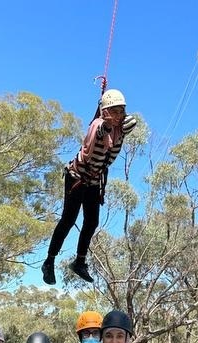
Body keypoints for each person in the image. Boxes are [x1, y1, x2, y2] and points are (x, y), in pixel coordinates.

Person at [41, 89, 138, 285]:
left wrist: (124, 120)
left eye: (122, 111)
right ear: (105, 112)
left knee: (91, 222)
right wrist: (106, 121)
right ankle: (49, 261)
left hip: (94, 181)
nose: (119, 115)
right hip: (77, 177)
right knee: (68, 220)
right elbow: (101, 130)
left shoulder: (120, 128)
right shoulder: (98, 126)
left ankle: (80, 262)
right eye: (115, 111)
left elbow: (129, 123)